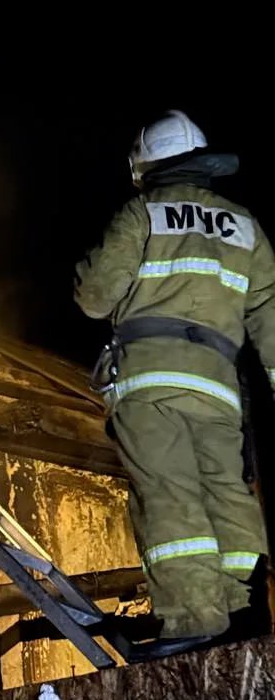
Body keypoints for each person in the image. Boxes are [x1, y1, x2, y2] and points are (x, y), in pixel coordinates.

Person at [75, 110, 275, 661]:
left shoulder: (143, 214)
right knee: (226, 494)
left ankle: (193, 620)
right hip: (218, 391)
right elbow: (270, 327)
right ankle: (242, 612)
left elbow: (94, 297)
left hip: (151, 381)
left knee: (169, 496)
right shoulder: (247, 229)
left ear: (146, 167)